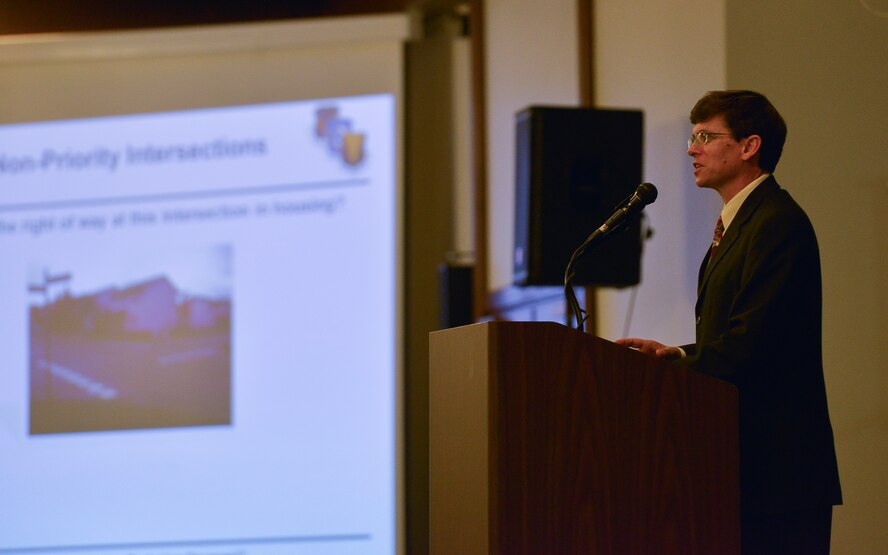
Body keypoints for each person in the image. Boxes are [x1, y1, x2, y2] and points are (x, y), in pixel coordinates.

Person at [616, 90, 842, 554]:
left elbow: (753, 343)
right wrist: (674, 354)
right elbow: (734, 336)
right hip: (742, 466)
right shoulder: (740, 225)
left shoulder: (776, 222)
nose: (691, 150)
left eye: (704, 137)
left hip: (779, 473)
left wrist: (675, 367)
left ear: (749, 146)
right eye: (691, 138)